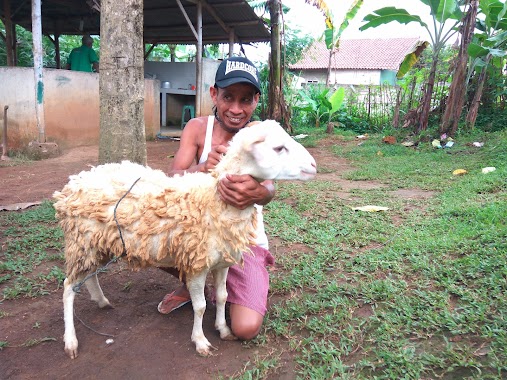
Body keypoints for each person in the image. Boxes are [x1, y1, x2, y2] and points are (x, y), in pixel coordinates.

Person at [158, 56, 275, 340]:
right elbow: (171, 178)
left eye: (245, 99)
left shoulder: (258, 133)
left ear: (256, 101)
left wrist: (260, 193)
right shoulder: (198, 129)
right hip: (202, 235)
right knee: (155, 241)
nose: (236, 109)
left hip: (243, 242)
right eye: (228, 97)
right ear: (214, 94)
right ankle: (195, 283)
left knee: (246, 328)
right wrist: (202, 168)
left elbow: (269, 189)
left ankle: (236, 283)